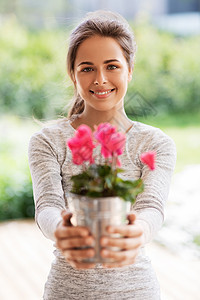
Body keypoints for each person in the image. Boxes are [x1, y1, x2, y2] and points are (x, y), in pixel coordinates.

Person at [28, 10, 176, 300]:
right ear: (73, 74)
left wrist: (139, 233)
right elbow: (47, 205)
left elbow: (151, 207)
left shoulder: (156, 143)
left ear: (129, 70)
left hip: (137, 291)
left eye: (112, 66)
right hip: (66, 292)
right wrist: (62, 230)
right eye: (87, 68)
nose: (100, 79)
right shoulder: (48, 141)